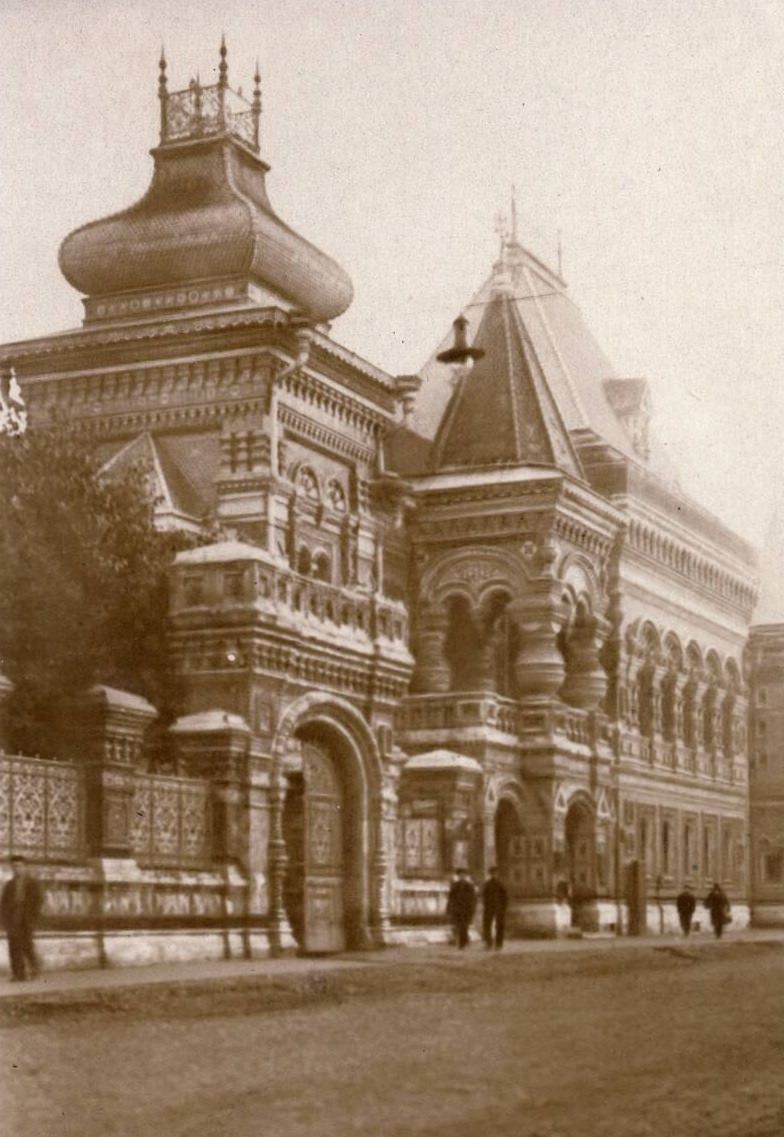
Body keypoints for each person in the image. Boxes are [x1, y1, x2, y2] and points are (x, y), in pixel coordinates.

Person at [1, 856, 44, 981]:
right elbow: (3, 903)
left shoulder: (32, 883)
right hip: (13, 919)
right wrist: (4, 919)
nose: (17, 869)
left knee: (27, 945)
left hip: (26, 919)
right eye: (14, 866)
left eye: (19, 866)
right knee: (13, 947)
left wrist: (33, 917)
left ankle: (35, 969)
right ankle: (18, 974)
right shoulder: (9, 885)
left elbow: (38, 901)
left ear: (25, 867)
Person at [446, 867, 476, 949]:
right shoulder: (455, 886)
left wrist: (472, 909)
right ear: (458, 876)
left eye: (463, 875)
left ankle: (462, 943)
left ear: (465, 876)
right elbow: (451, 897)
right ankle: (464, 941)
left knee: (464, 926)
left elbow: (473, 898)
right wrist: (449, 908)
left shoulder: (469, 886)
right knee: (459, 926)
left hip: (466, 909)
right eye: (460, 875)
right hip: (457, 909)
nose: (462, 876)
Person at [482, 866, 508, 950]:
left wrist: (503, 908)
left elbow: (505, 897)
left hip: (499, 908)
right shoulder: (487, 884)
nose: (494, 875)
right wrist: (485, 906)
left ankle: (498, 944)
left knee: (500, 926)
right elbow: (484, 896)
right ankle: (488, 943)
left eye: (495, 873)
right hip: (489, 908)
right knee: (487, 925)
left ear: (497, 874)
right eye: (492, 873)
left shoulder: (501, 884)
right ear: (490, 874)